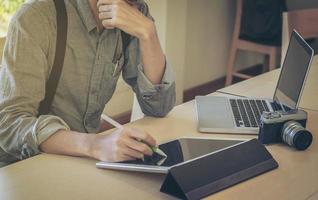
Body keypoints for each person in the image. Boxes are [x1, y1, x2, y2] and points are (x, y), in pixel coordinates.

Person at [0, 0, 176, 167]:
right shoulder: (36, 16)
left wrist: (148, 33)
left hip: (84, 162)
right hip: (24, 167)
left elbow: (159, 107)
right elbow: (10, 122)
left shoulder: (134, 10)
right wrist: (95, 144)